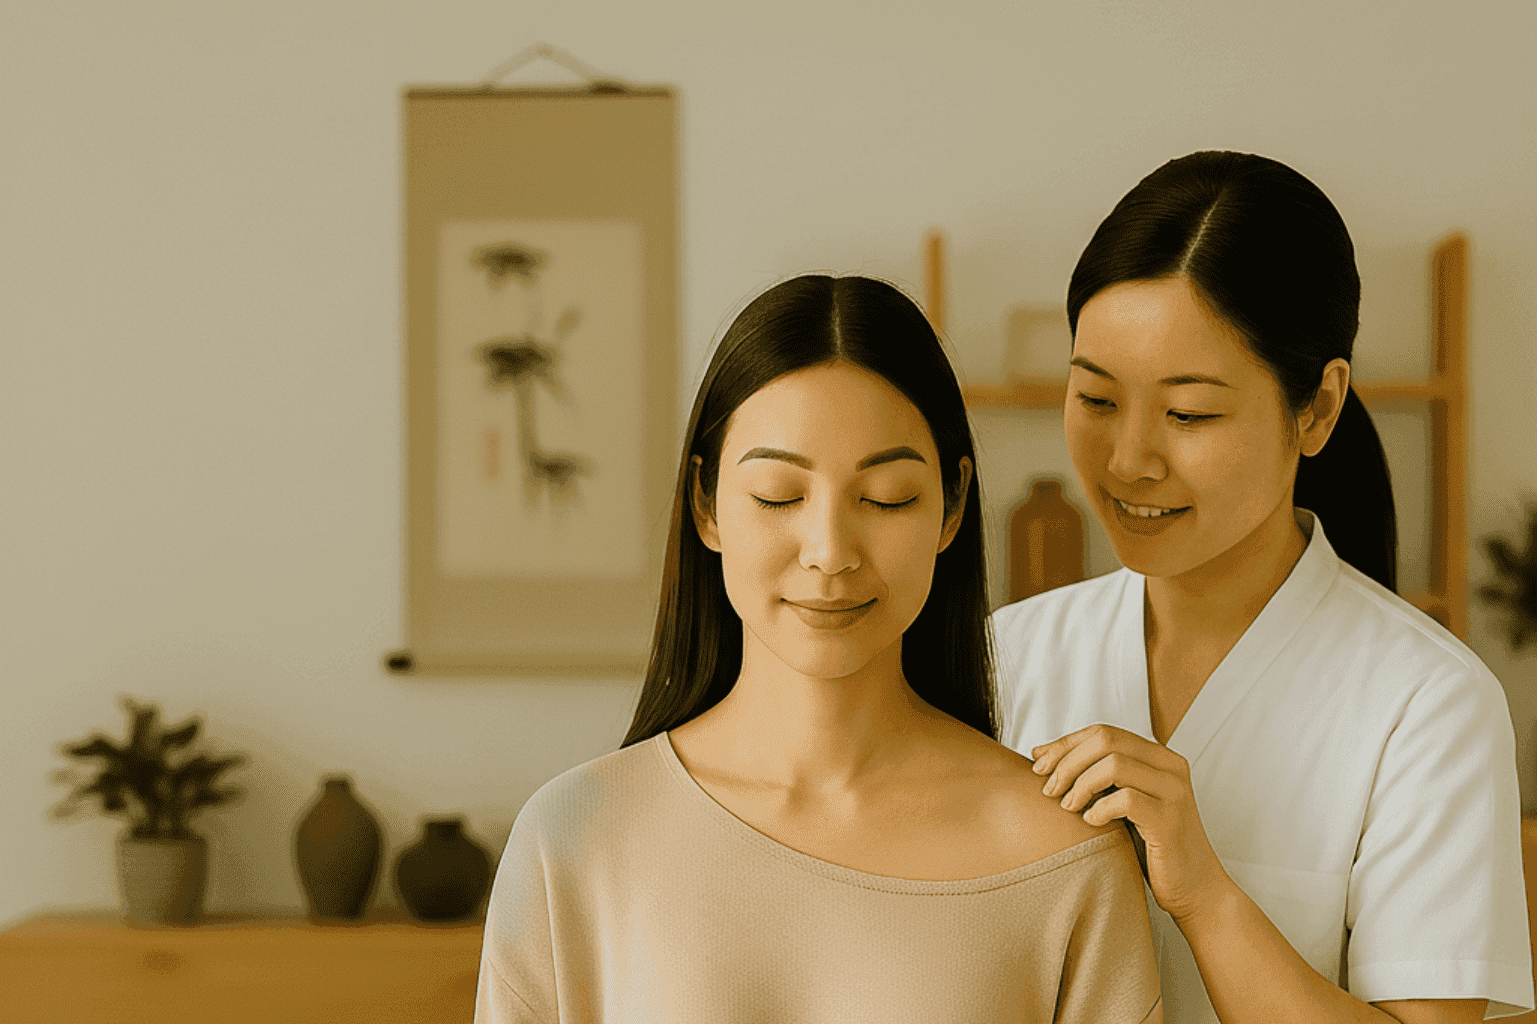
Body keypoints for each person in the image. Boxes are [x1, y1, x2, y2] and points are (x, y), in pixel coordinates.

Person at [476, 274, 1161, 1023]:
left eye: (887, 497)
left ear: (952, 506)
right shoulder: (573, 839)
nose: (830, 551)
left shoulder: (1061, 854)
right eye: (778, 494)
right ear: (706, 504)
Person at [992, 150, 1533, 1023]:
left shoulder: (1427, 704)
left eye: (1188, 413)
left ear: (1316, 408)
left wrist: (1203, 892)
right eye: (1095, 400)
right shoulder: (1006, 655)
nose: (1127, 460)